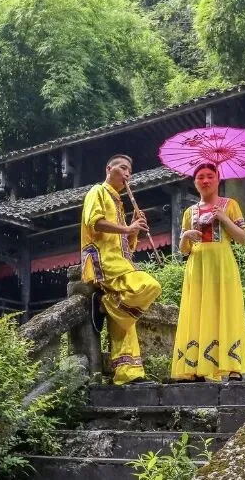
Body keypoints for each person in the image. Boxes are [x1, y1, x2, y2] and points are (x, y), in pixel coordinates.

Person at [81, 154, 162, 385]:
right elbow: (94, 223)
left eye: (130, 171)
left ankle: (128, 373)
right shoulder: (97, 191)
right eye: (123, 168)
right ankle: (103, 303)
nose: (127, 174)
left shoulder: (119, 203)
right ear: (109, 168)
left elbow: (127, 245)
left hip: (120, 261)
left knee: (125, 315)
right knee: (149, 286)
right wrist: (128, 228)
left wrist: (134, 229)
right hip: (102, 259)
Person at [172, 162, 245, 382]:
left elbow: (242, 239)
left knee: (226, 309)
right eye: (200, 177)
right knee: (196, 310)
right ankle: (195, 367)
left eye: (210, 176)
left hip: (222, 264)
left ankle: (232, 367)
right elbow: (184, 250)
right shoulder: (189, 212)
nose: (205, 180)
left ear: (218, 179)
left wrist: (224, 219)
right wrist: (186, 236)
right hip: (197, 266)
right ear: (195, 182)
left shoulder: (230, 205)